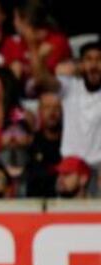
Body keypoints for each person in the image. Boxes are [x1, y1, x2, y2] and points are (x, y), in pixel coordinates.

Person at [35, 41, 101, 194]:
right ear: (81, 64)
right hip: (70, 168)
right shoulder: (70, 86)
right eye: (88, 59)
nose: (93, 65)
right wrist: (41, 59)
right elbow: (43, 80)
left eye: (98, 60)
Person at [0, 0, 71, 82]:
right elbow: (4, 71)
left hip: (53, 88)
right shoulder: (13, 41)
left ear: (26, 21)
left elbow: (43, 76)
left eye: (16, 18)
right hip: (22, 90)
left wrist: (32, 46)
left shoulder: (57, 41)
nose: (13, 23)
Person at [25, 90, 62, 198]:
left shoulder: (70, 142)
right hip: (33, 205)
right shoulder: (31, 142)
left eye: (57, 108)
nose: (52, 112)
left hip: (65, 205)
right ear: (39, 111)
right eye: (47, 107)